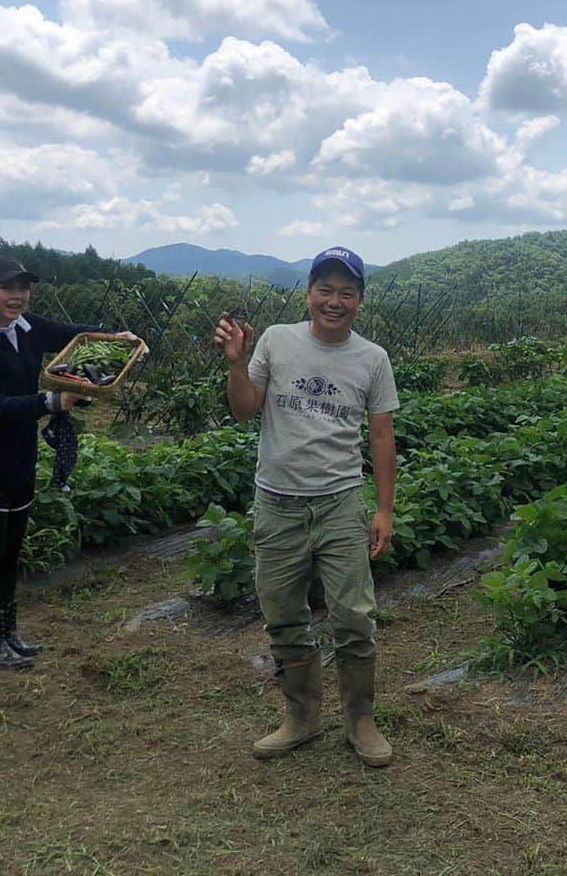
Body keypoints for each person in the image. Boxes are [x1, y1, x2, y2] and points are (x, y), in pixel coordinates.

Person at [215, 246, 399, 767]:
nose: (334, 301)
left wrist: (383, 510)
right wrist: (234, 365)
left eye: (346, 292)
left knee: (354, 616)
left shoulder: (372, 359)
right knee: (282, 613)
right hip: (277, 502)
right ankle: (301, 715)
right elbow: (244, 409)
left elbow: (382, 438)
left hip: (341, 502)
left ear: (359, 300)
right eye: (326, 289)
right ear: (309, 293)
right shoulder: (276, 340)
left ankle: (360, 719)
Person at [0, 256, 138, 670]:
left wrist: (116, 336)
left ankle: (8, 633)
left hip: (20, 455)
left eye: (23, 288)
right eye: (7, 288)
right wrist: (52, 401)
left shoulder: (29, 327)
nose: (17, 296)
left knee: (10, 550)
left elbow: (73, 334)